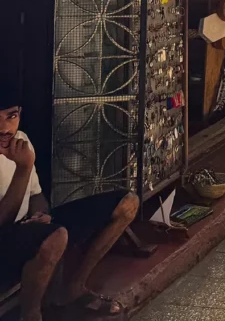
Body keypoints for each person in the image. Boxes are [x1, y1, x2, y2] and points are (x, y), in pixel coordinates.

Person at [0, 80, 139, 319]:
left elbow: (36, 194)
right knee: (57, 236)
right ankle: (31, 314)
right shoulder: (20, 156)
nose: (4, 128)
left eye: (11, 116)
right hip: (4, 242)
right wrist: (23, 168)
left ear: (20, 114)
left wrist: (41, 214)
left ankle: (72, 289)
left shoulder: (20, 140)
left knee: (127, 203)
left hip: (28, 227)